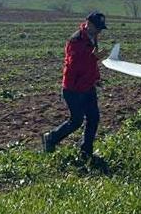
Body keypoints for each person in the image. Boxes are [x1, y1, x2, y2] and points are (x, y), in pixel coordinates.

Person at [43, 12, 108, 159]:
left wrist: (96, 78)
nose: (99, 31)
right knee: (76, 120)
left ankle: (86, 152)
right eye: (97, 27)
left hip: (88, 85)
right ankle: (51, 138)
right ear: (88, 24)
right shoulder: (75, 40)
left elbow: (90, 65)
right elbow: (74, 64)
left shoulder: (92, 37)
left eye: (101, 29)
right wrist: (93, 57)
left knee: (93, 118)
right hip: (73, 88)